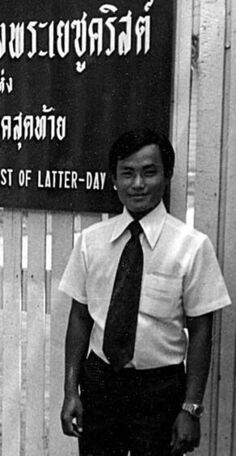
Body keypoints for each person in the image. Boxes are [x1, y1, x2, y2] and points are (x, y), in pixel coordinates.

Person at [59, 128, 231, 456]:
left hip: (159, 389)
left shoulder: (192, 247)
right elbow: (79, 317)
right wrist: (71, 392)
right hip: (100, 381)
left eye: (149, 172)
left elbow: (201, 332)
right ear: (114, 179)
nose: (138, 184)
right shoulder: (91, 242)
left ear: (167, 176)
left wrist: (190, 408)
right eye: (128, 173)